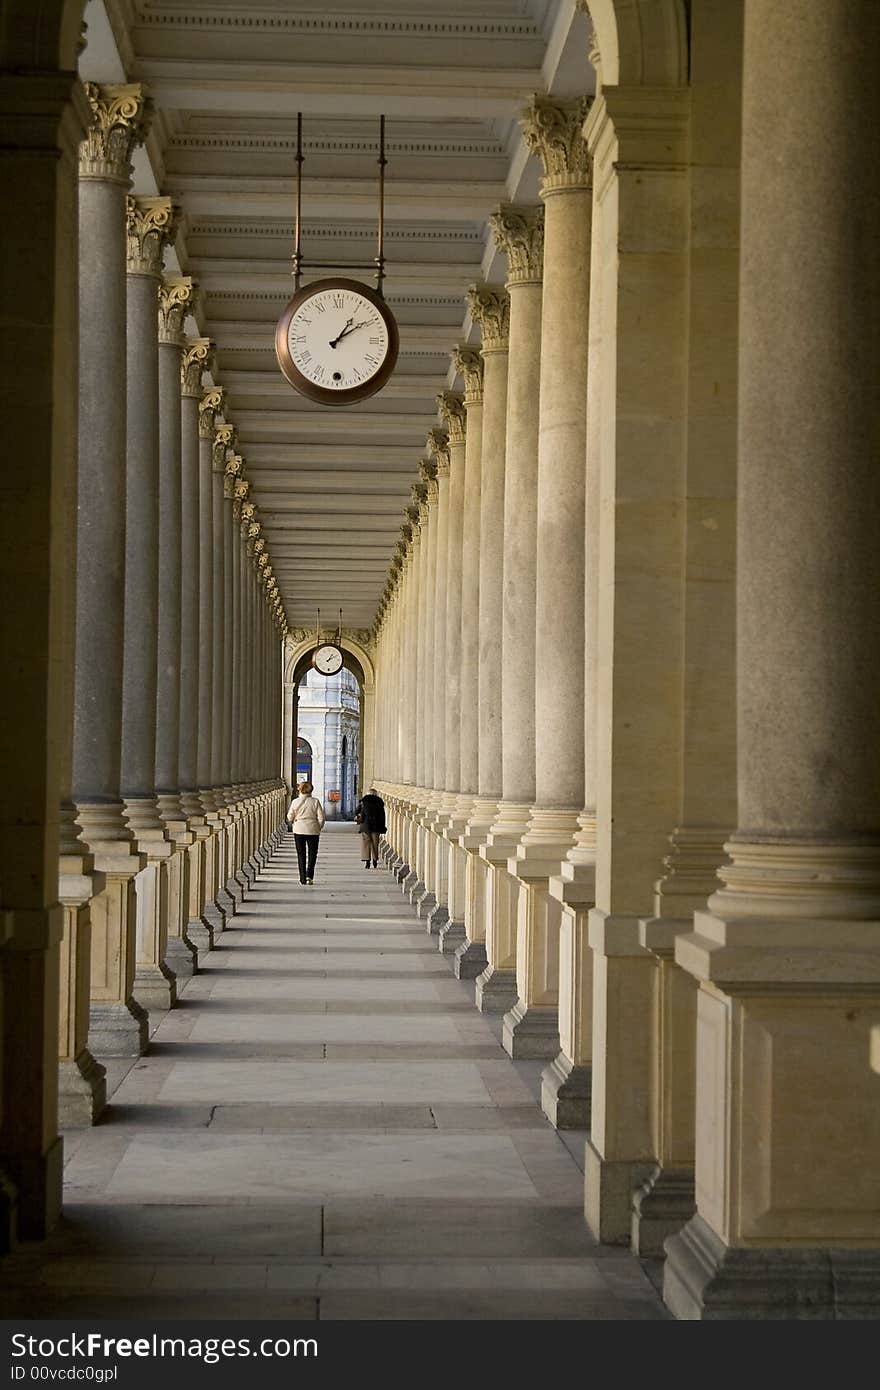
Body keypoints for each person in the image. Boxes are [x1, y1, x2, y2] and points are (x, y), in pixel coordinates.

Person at [287, 781, 325, 884]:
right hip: (313, 830)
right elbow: (321, 818)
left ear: (300, 790)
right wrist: (318, 827)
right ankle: (309, 876)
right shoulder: (315, 802)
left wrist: (295, 821)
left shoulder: (295, 802)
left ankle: (302, 878)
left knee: (301, 854)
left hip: (299, 829)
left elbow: (289, 817)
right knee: (312, 854)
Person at [355, 787, 386, 868]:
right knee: (375, 844)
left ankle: (367, 862)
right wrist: (383, 827)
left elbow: (357, 812)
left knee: (366, 843)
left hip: (366, 826)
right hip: (376, 826)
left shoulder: (363, 802)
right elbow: (382, 816)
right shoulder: (379, 803)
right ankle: (375, 860)